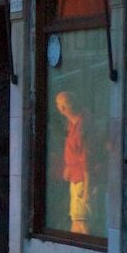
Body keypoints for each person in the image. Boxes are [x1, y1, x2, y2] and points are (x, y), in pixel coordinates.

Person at [55, 91, 89, 235]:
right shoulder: (72, 124)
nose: (61, 108)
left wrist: (87, 188)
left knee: (82, 221)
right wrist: (69, 167)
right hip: (75, 178)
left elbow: (88, 159)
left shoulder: (83, 125)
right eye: (59, 105)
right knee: (76, 220)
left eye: (65, 104)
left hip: (82, 180)